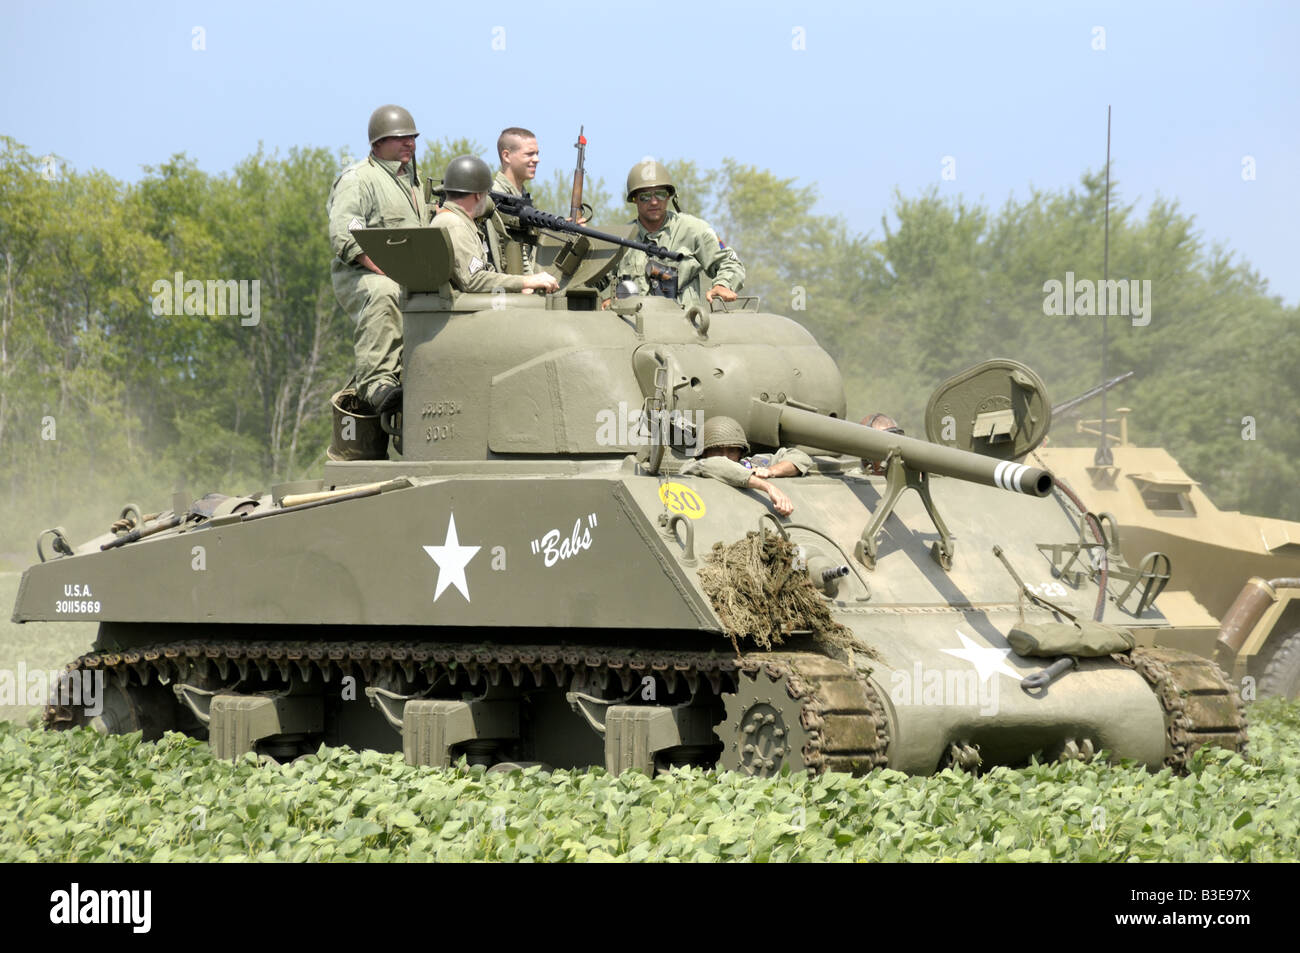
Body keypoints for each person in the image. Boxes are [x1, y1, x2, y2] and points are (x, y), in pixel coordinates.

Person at [326, 104, 429, 417]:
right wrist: (387, 270)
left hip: (409, 273)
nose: (409, 142)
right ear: (377, 143)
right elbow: (346, 235)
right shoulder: (358, 180)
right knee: (384, 291)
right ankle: (376, 385)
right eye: (399, 138)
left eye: (412, 137)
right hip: (362, 276)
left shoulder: (414, 182)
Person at [603, 159, 745, 311]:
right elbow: (590, 281)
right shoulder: (621, 239)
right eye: (645, 196)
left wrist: (722, 284)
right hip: (632, 328)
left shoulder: (693, 229)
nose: (654, 202)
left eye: (660, 194)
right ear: (634, 199)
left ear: (669, 196)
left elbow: (730, 263)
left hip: (685, 326)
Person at [431, 155, 559, 295]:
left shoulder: (452, 221)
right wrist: (525, 281)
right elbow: (473, 279)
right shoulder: (454, 224)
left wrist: (520, 285)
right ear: (478, 195)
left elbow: (480, 273)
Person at [680, 416, 811, 517]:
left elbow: (799, 457)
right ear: (704, 453)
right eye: (717, 450)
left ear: (740, 453)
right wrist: (768, 487)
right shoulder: (693, 466)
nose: (725, 456)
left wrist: (770, 471)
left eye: (732, 450)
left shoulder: (748, 464)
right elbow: (717, 464)